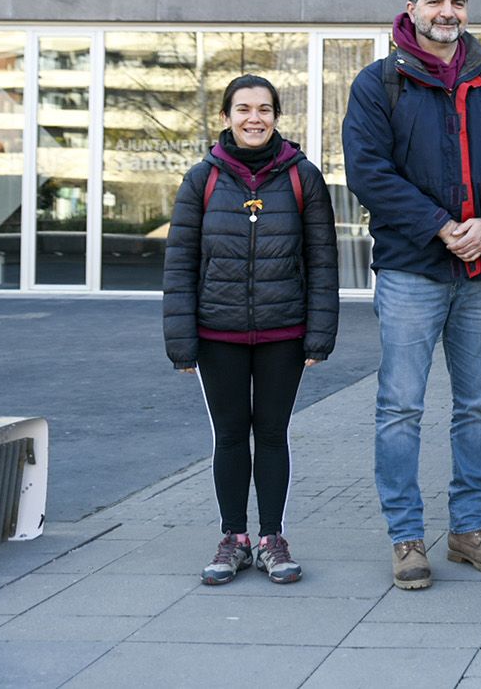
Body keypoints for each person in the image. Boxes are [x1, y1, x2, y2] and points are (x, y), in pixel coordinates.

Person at [343, 0, 481, 590]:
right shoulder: (378, 85)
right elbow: (368, 171)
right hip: (411, 272)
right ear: (413, 7)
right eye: (436, 1)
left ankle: (467, 530)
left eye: (457, 1)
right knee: (400, 407)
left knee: (477, 406)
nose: (448, 11)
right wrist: (438, 225)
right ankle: (406, 537)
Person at [163, 74, 339, 586]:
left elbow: (322, 262)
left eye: (264, 109)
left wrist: (319, 333)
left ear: (276, 117)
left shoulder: (303, 177)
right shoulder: (203, 179)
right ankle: (233, 538)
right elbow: (179, 264)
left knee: (273, 434)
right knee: (230, 436)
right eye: (243, 109)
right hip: (218, 334)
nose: (254, 118)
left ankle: (271, 539)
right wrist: (181, 341)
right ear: (225, 117)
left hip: (284, 333)